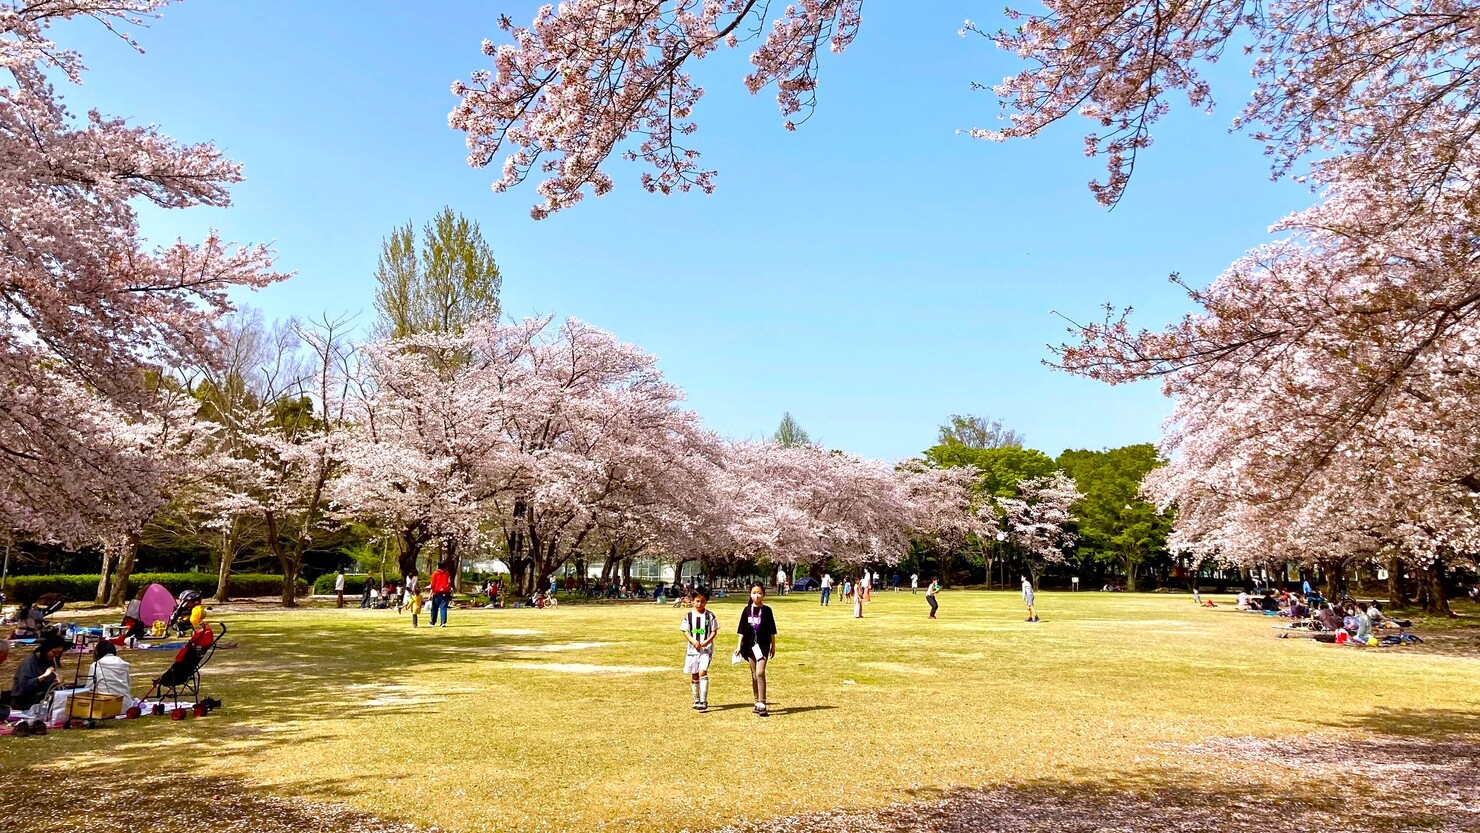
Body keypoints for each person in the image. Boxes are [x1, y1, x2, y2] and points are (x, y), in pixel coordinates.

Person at [734, 583, 777, 717]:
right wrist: (738, 646)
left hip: (763, 646)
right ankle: (756, 701)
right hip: (749, 646)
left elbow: (772, 631)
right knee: (754, 675)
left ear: (763, 594)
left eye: (759, 593)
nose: (757, 596)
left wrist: (773, 646)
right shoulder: (747, 610)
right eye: (754, 593)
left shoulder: (767, 610)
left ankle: (762, 703)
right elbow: (741, 630)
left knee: (760, 672)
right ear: (750, 594)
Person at [681, 589, 719, 712]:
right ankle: (696, 699)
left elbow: (714, 631)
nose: (699, 604)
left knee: (702, 671)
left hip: (705, 650)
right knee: (695, 673)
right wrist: (693, 640)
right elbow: (685, 631)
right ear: (693, 600)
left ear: (706, 602)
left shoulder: (710, 616)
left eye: (702, 601)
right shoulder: (689, 616)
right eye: (697, 601)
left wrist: (707, 641)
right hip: (692, 650)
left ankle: (703, 700)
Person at [9, 631, 66, 712]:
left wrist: (56, 683)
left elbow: (48, 685)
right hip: (22, 700)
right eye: (54, 652)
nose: (56, 656)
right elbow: (24, 686)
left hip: (39, 697)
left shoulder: (50, 662)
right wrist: (43, 676)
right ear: (47, 648)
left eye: (59, 653)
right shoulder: (29, 662)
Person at [86, 640, 133, 710]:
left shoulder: (95, 665)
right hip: (125, 705)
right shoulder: (122, 664)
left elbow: (89, 688)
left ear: (97, 653)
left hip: (105, 706)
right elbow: (128, 684)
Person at [429, 562, 453, 628]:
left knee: (434, 608)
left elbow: (433, 584)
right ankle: (443, 622)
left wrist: (432, 592)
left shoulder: (435, 574)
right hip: (445, 592)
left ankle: (433, 622)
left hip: (437, 592)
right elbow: (449, 582)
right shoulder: (447, 574)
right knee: (443, 607)